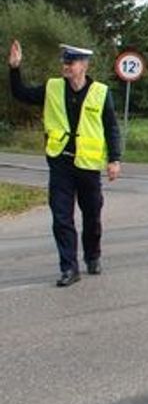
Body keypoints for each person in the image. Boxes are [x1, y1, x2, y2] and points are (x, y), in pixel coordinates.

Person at [8, 39, 122, 287]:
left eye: (70, 62)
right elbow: (21, 94)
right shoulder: (52, 87)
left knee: (92, 216)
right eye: (64, 62)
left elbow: (111, 127)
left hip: (89, 166)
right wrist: (15, 68)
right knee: (61, 217)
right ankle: (69, 268)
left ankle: (92, 256)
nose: (65, 66)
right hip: (60, 163)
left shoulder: (101, 93)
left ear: (84, 65)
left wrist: (114, 159)